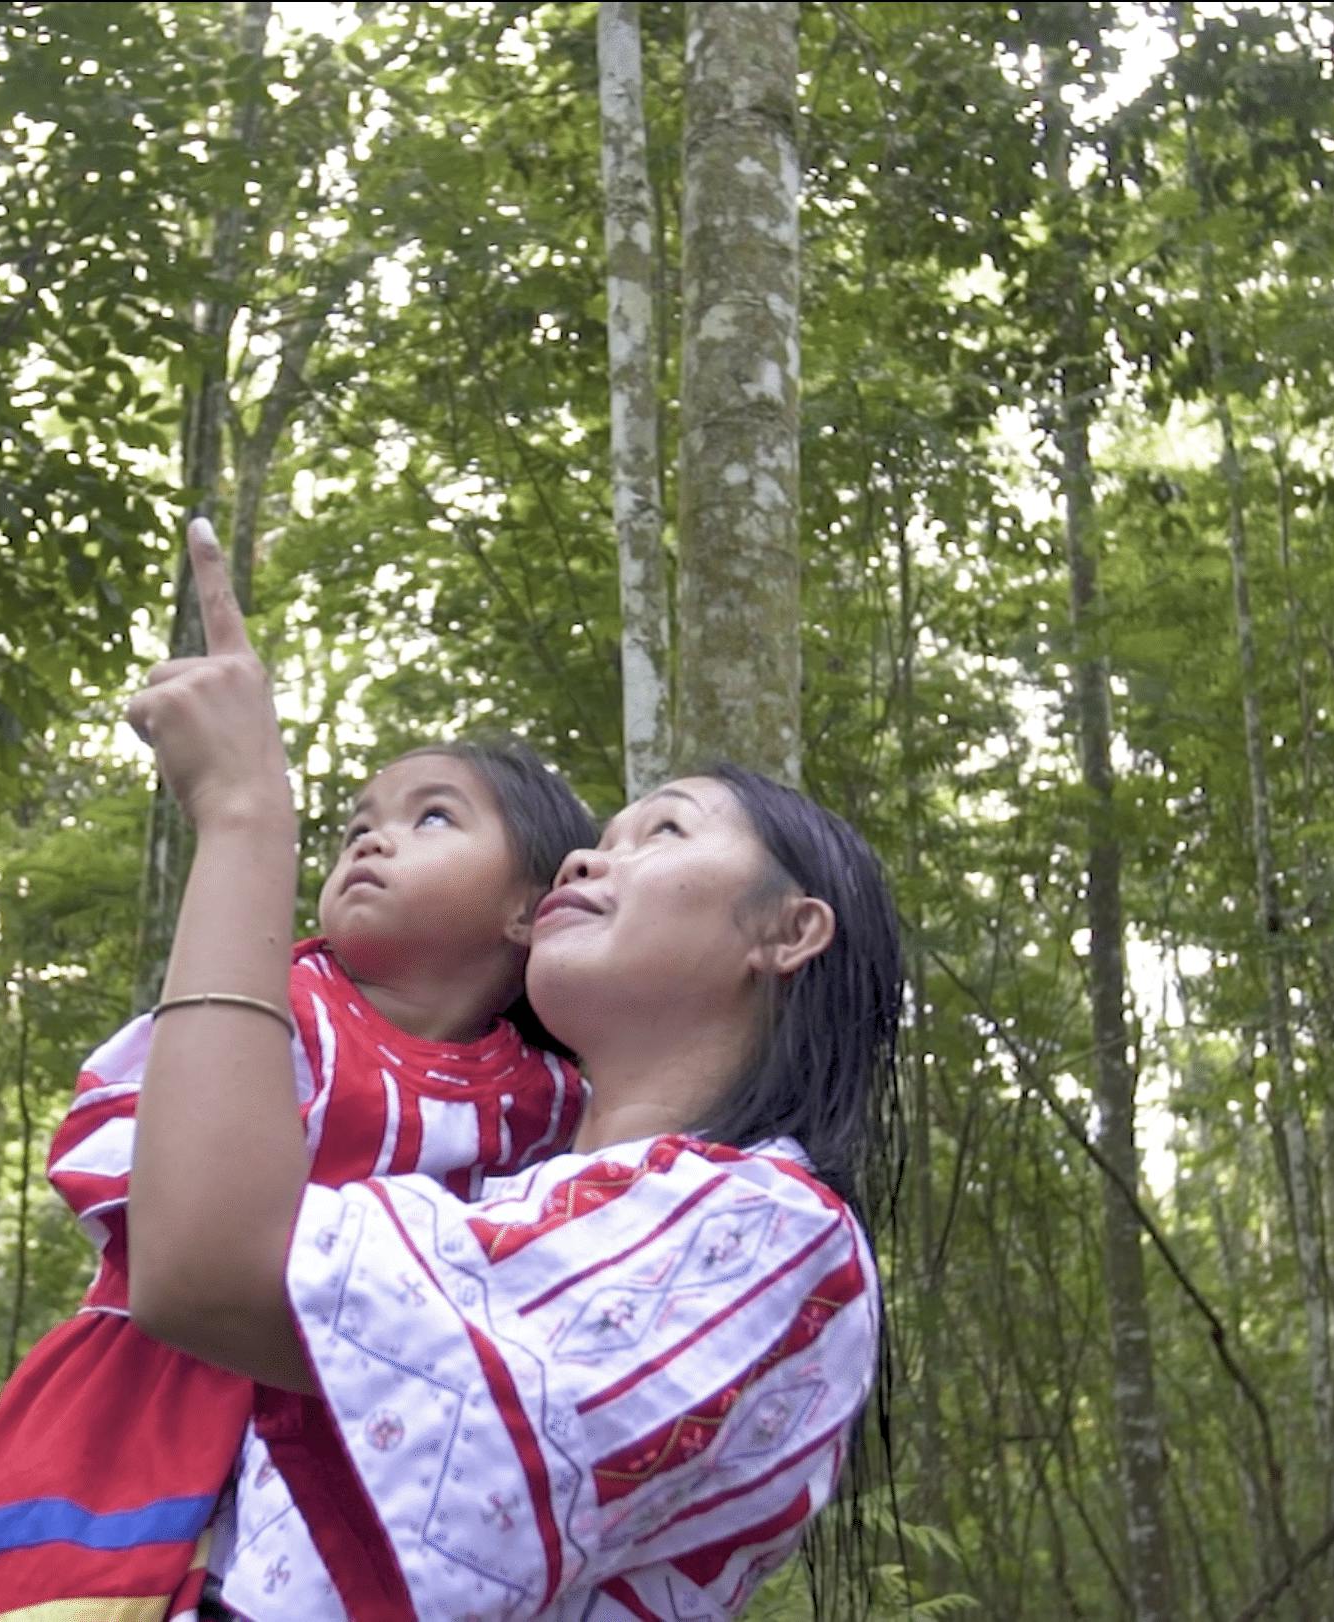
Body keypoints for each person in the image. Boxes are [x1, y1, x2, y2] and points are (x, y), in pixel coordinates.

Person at [123, 527, 897, 1618]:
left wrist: (246, 814)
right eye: (600, 838)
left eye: (662, 831)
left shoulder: (777, 1234)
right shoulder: (478, 1194)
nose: (591, 855)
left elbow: (207, 1268)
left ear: (788, 929)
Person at [0, 671, 599, 1614]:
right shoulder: (272, 1009)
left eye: (434, 819)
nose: (372, 837)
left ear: (530, 910)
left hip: (373, 1457)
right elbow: (115, 1150)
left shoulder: (557, 1103)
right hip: (140, 1413)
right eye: (356, 825)